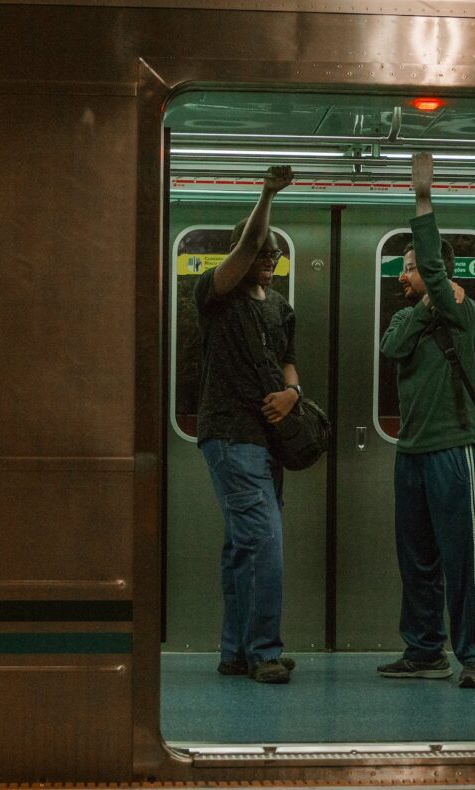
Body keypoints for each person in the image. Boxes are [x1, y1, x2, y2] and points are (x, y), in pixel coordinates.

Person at [377, 152, 475, 689]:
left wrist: (422, 202)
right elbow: (392, 347)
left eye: (407, 267)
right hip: (412, 452)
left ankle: (473, 656)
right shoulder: (409, 315)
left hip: (455, 448)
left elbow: (436, 279)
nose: (401, 276)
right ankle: (424, 651)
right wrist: (425, 307)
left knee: (462, 557)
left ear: (432, 271)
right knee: (416, 559)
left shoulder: (463, 312)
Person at [194, 165, 301, 685]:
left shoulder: (280, 307)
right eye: (260, 252)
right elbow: (250, 240)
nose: (268, 259)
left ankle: (235, 649)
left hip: (268, 439)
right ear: (238, 257)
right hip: (230, 435)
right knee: (264, 541)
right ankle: (264, 650)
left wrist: (293, 393)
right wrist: (267, 195)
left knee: (242, 544)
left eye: (273, 254)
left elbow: (288, 362)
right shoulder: (216, 295)